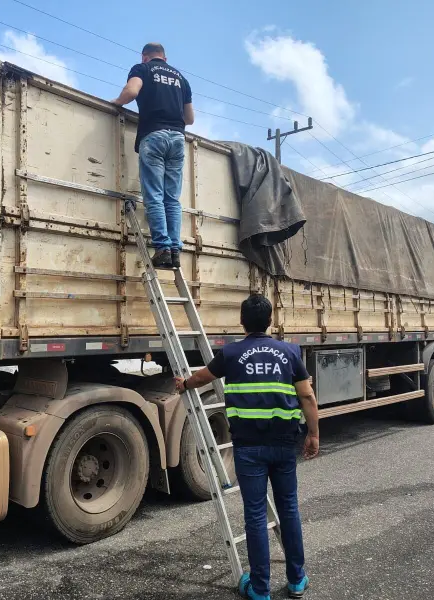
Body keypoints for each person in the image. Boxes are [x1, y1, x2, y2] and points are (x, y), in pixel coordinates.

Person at [174, 294, 319, 600]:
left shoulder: (231, 353)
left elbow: (202, 377)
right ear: (270, 322)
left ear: (242, 322)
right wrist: (314, 435)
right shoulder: (290, 352)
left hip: (248, 448)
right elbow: (307, 397)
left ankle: (260, 589)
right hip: (283, 445)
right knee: (288, 509)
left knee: (255, 516)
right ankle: (296, 580)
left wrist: (184, 384)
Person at [112, 43, 194, 269]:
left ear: (145, 56)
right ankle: (175, 250)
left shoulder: (143, 69)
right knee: (172, 198)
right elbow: (189, 119)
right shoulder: (181, 79)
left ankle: (163, 248)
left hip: (154, 136)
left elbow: (131, 91)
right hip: (178, 138)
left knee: (154, 195)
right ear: (164, 57)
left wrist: (116, 103)